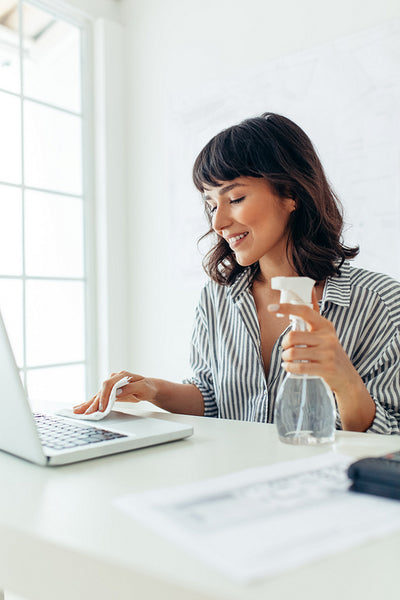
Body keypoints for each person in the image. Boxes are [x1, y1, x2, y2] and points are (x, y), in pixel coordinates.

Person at [74, 112, 400, 434]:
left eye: (236, 198)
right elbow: (213, 397)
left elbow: (389, 436)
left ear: (292, 194)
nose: (218, 223)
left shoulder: (380, 303)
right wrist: (153, 390)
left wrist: (345, 381)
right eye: (212, 205)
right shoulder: (216, 296)